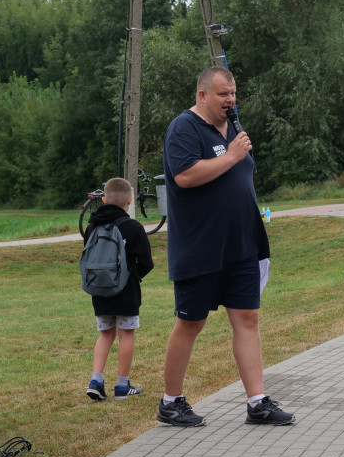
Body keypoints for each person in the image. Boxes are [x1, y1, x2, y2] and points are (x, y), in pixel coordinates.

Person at [157, 67, 294, 427]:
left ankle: (257, 401)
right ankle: (171, 402)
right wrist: (231, 156)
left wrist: (236, 158)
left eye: (233, 93)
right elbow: (185, 176)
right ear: (203, 95)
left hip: (242, 244)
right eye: (223, 94)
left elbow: (240, 174)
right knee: (191, 322)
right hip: (201, 246)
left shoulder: (232, 127)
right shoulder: (184, 128)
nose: (230, 100)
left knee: (248, 318)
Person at [84, 177, 154, 401]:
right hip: (126, 292)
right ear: (130, 201)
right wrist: (132, 277)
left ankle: (96, 380)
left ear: (103, 200)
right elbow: (146, 263)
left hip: (99, 290)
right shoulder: (133, 227)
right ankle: (122, 385)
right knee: (126, 334)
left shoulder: (92, 226)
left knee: (105, 334)